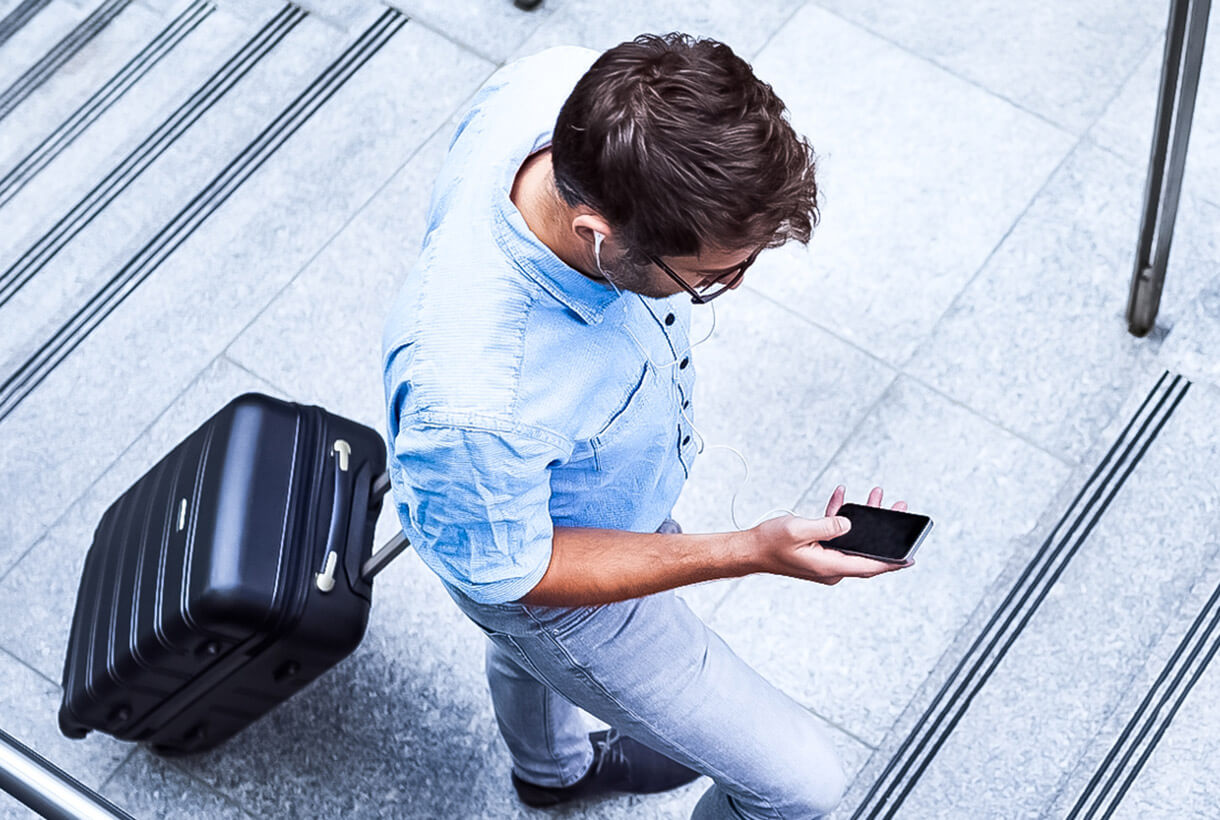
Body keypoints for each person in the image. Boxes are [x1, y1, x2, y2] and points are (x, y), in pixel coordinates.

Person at [381, 33, 911, 819]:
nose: (730, 284)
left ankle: (550, 772)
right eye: (707, 279)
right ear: (598, 232)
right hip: (548, 579)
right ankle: (554, 766)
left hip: (533, 493)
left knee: (525, 665)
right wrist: (747, 551)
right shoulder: (476, 403)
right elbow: (516, 573)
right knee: (799, 789)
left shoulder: (553, 84)